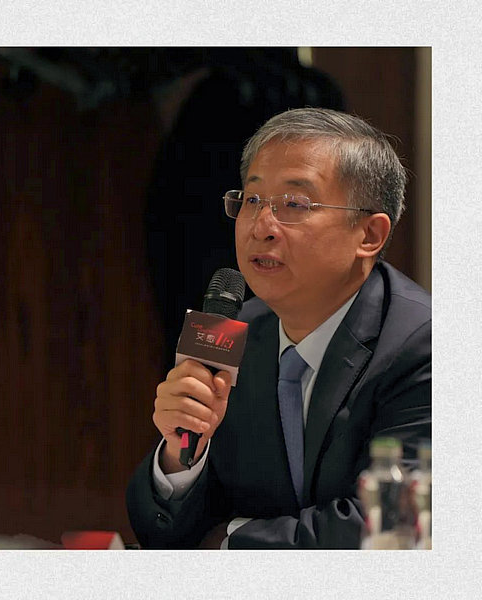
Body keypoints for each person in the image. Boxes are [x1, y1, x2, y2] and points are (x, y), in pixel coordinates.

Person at [126, 107, 431, 549]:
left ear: (369, 235)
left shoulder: (425, 345)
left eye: (294, 205)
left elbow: (391, 526)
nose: (261, 226)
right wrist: (180, 454)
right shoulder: (238, 333)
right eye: (252, 200)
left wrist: (228, 542)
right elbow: (162, 531)